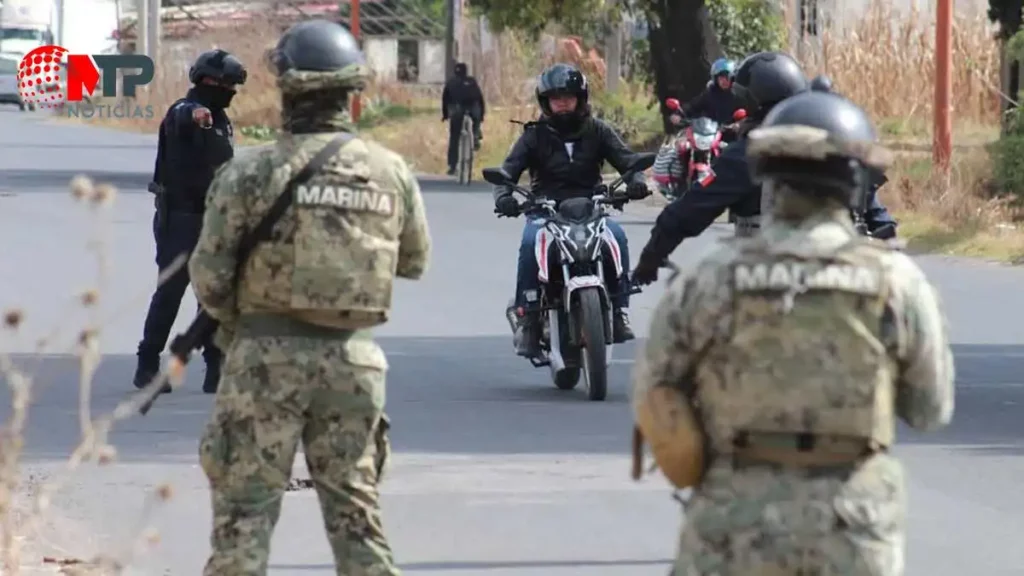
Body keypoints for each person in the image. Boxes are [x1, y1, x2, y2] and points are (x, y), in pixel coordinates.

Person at [632, 90, 955, 575]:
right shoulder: (897, 283)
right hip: (852, 524)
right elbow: (929, 410)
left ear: (766, 174)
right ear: (855, 182)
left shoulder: (707, 280)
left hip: (732, 521)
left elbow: (656, 397)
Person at [188, 18, 431, 576]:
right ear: (353, 94)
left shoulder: (247, 174)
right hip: (353, 363)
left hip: (262, 363)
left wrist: (243, 325)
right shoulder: (389, 172)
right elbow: (413, 261)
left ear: (286, 89)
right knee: (357, 520)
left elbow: (210, 277)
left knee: (243, 523)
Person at [632, 51, 896, 286]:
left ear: (755, 103)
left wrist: (651, 257)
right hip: (845, 281)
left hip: (765, 281)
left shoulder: (750, 154)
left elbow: (686, 212)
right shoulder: (834, 149)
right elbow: (880, 220)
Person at [493, 62, 650, 357]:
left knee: (616, 236)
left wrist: (637, 181)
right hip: (545, 210)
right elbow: (507, 172)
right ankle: (526, 317)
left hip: (591, 207)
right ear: (546, 102)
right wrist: (504, 196)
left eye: (568, 97)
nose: (562, 103)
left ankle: (619, 310)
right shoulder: (533, 136)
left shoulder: (599, 130)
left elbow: (629, 162)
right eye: (556, 98)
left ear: (581, 98)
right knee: (531, 243)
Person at [134, 48, 246, 395]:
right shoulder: (185, 111)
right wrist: (196, 113)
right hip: (180, 219)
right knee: (170, 292)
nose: (231, 92)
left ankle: (215, 368)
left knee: (211, 296)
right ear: (208, 81)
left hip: (214, 219)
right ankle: (147, 364)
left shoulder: (222, 119)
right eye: (226, 85)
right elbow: (186, 114)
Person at [669, 57, 741, 127]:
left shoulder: (739, 95)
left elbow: (748, 114)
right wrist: (679, 113)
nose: (724, 81)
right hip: (709, 134)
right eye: (720, 78)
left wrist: (740, 124)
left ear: (732, 78)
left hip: (733, 135)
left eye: (727, 78)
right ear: (715, 79)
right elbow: (692, 106)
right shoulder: (709, 94)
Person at [442, 61, 485, 175]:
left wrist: (445, 115)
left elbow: (445, 100)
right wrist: (481, 117)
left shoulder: (451, 82)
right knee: (475, 119)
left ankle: (452, 166)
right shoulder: (471, 81)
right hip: (473, 110)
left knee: (454, 138)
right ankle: (475, 134)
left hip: (457, 111)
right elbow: (480, 99)